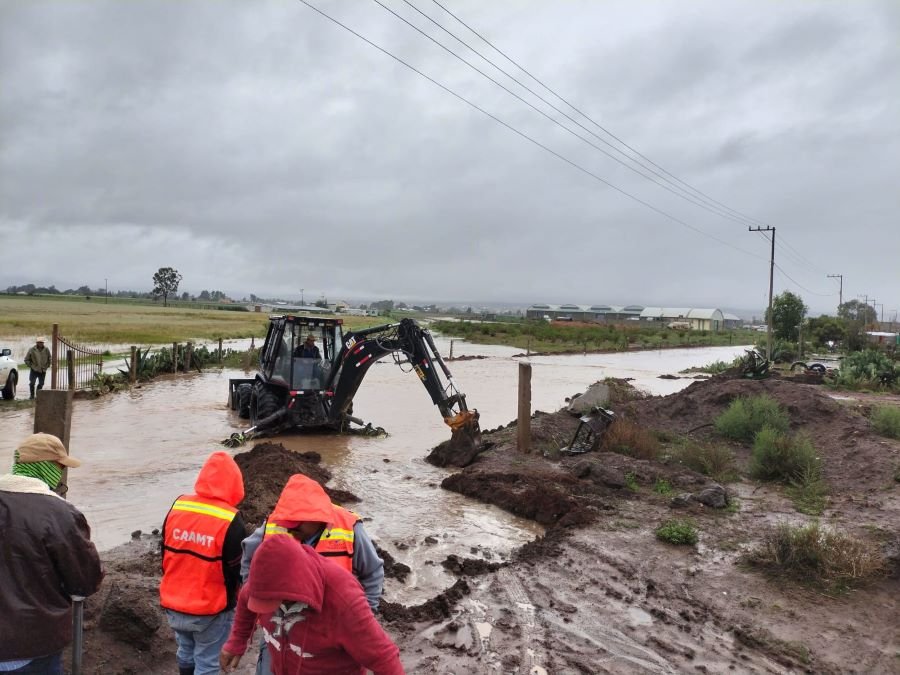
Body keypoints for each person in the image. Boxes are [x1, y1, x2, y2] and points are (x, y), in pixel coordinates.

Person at [240, 473, 384, 674]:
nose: (290, 527)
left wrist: (364, 616)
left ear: (317, 519)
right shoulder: (275, 523)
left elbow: (373, 572)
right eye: (288, 523)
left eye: (297, 523)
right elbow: (248, 561)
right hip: (279, 625)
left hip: (329, 630)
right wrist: (262, 607)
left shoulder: (349, 526)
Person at [220, 536, 404, 675]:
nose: (269, 608)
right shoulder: (264, 580)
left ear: (293, 587)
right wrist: (236, 641)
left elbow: (384, 658)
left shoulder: (344, 600)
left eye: (274, 602)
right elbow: (245, 602)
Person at [0, 433, 103, 674]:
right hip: (31, 642)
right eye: (60, 467)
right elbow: (84, 581)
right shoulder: (60, 514)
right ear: (48, 468)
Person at [160, 452, 247, 675]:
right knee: (208, 663)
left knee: (185, 651)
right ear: (235, 484)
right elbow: (237, 570)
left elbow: (165, 551)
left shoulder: (179, 505)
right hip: (211, 607)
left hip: (174, 601)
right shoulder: (231, 519)